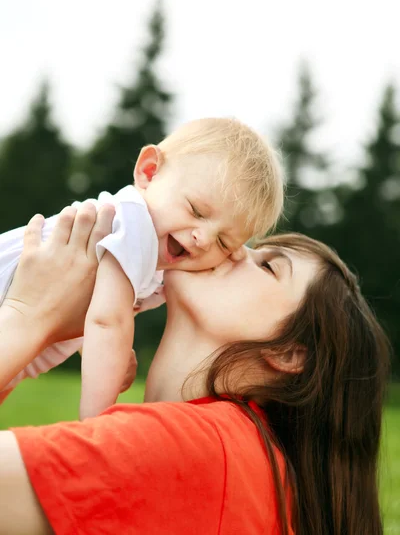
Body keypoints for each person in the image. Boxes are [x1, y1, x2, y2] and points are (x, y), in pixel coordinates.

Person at [0, 204, 390, 535]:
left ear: (290, 353)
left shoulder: (195, 451)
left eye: (269, 267)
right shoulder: (244, 454)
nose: (236, 250)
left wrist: (25, 318)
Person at [0, 117, 283, 419]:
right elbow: (107, 322)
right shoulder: (134, 221)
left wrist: (105, 354)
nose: (203, 239)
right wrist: (96, 424)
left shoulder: (154, 263)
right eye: (196, 211)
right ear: (149, 172)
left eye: (224, 243)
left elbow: (93, 311)